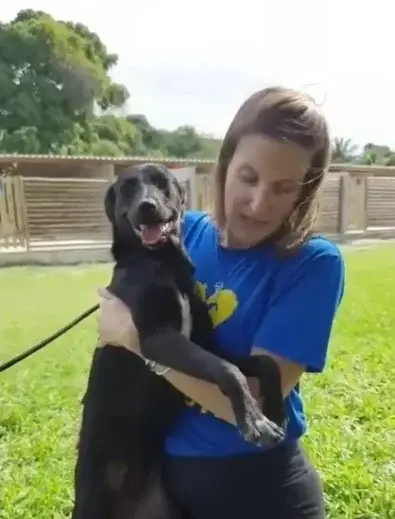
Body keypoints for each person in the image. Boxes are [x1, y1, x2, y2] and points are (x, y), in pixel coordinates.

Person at [96, 86, 345, 519]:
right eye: (248, 178)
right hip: (163, 480)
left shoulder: (312, 263)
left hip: (261, 488)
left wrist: (139, 342)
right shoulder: (183, 234)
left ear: (304, 193)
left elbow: (257, 402)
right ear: (224, 167)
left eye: (283, 188)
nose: (258, 202)